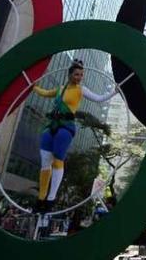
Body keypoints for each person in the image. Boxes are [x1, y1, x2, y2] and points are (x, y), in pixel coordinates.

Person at [32, 59, 117, 213]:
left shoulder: (81, 90)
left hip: (66, 127)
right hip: (51, 126)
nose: (79, 77)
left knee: (58, 160)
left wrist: (115, 91)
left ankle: (51, 199)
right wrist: (35, 87)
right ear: (70, 74)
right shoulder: (60, 89)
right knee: (45, 161)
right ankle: (41, 198)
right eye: (77, 74)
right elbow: (45, 93)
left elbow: (99, 98)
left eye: (81, 75)